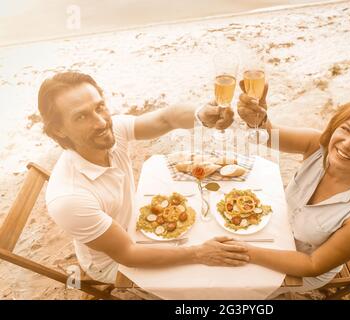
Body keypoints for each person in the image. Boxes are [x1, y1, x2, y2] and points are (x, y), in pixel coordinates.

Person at [37, 71, 248, 284]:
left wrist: (201, 114)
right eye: (81, 116)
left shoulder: (109, 132)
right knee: (208, 276)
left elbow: (167, 118)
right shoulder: (69, 199)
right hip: (114, 263)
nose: (101, 122)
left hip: (135, 225)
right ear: (59, 130)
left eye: (99, 107)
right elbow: (128, 254)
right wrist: (198, 253)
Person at [235, 81, 350, 293]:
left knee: (230, 285)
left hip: (300, 267)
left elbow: (312, 265)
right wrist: (259, 121)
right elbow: (267, 136)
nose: (347, 143)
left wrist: (246, 252)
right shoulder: (316, 145)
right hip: (277, 229)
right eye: (346, 129)